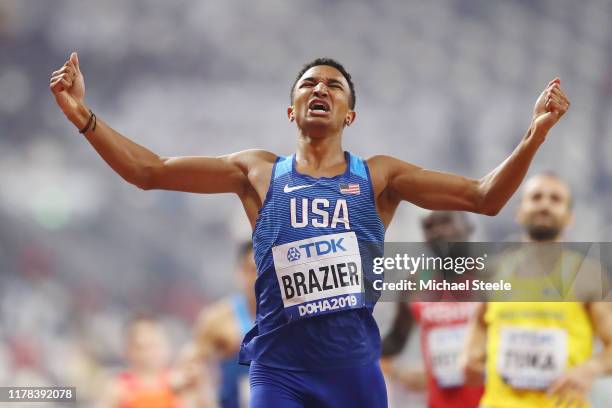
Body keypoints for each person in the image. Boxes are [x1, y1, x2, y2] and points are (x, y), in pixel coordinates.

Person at [50, 52, 569, 407]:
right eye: (308, 85)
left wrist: (535, 135)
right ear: (292, 109)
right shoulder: (256, 172)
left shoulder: (380, 177)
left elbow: (485, 197)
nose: (320, 89)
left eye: (333, 86)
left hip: (354, 370)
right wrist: (83, 116)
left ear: (351, 113)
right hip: (280, 371)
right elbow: (150, 171)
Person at [462, 173, 612, 408]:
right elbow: (480, 322)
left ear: (569, 217)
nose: (544, 204)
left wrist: (590, 368)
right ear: (520, 211)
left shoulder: (588, 275)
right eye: (536, 197)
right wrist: (470, 354)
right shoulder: (493, 272)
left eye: (555, 199)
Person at [381, 211, 483, 408]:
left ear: (468, 227)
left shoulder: (492, 278)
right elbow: (395, 340)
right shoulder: (416, 283)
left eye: (445, 222)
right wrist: (395, 372)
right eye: (428, 227)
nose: (437, 232)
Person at [175, 241, 256, 408]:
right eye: (251, 270)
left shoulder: (288, 315)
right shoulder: (220, 318)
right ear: (239, 273)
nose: (257, 277)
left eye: (264, 269)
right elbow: (189, 363)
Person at [98, 316, 182, 408]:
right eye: (141, 347)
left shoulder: (179, 383)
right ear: (128, 350)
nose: (148, 353)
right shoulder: (118, 389)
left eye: (153, 345)